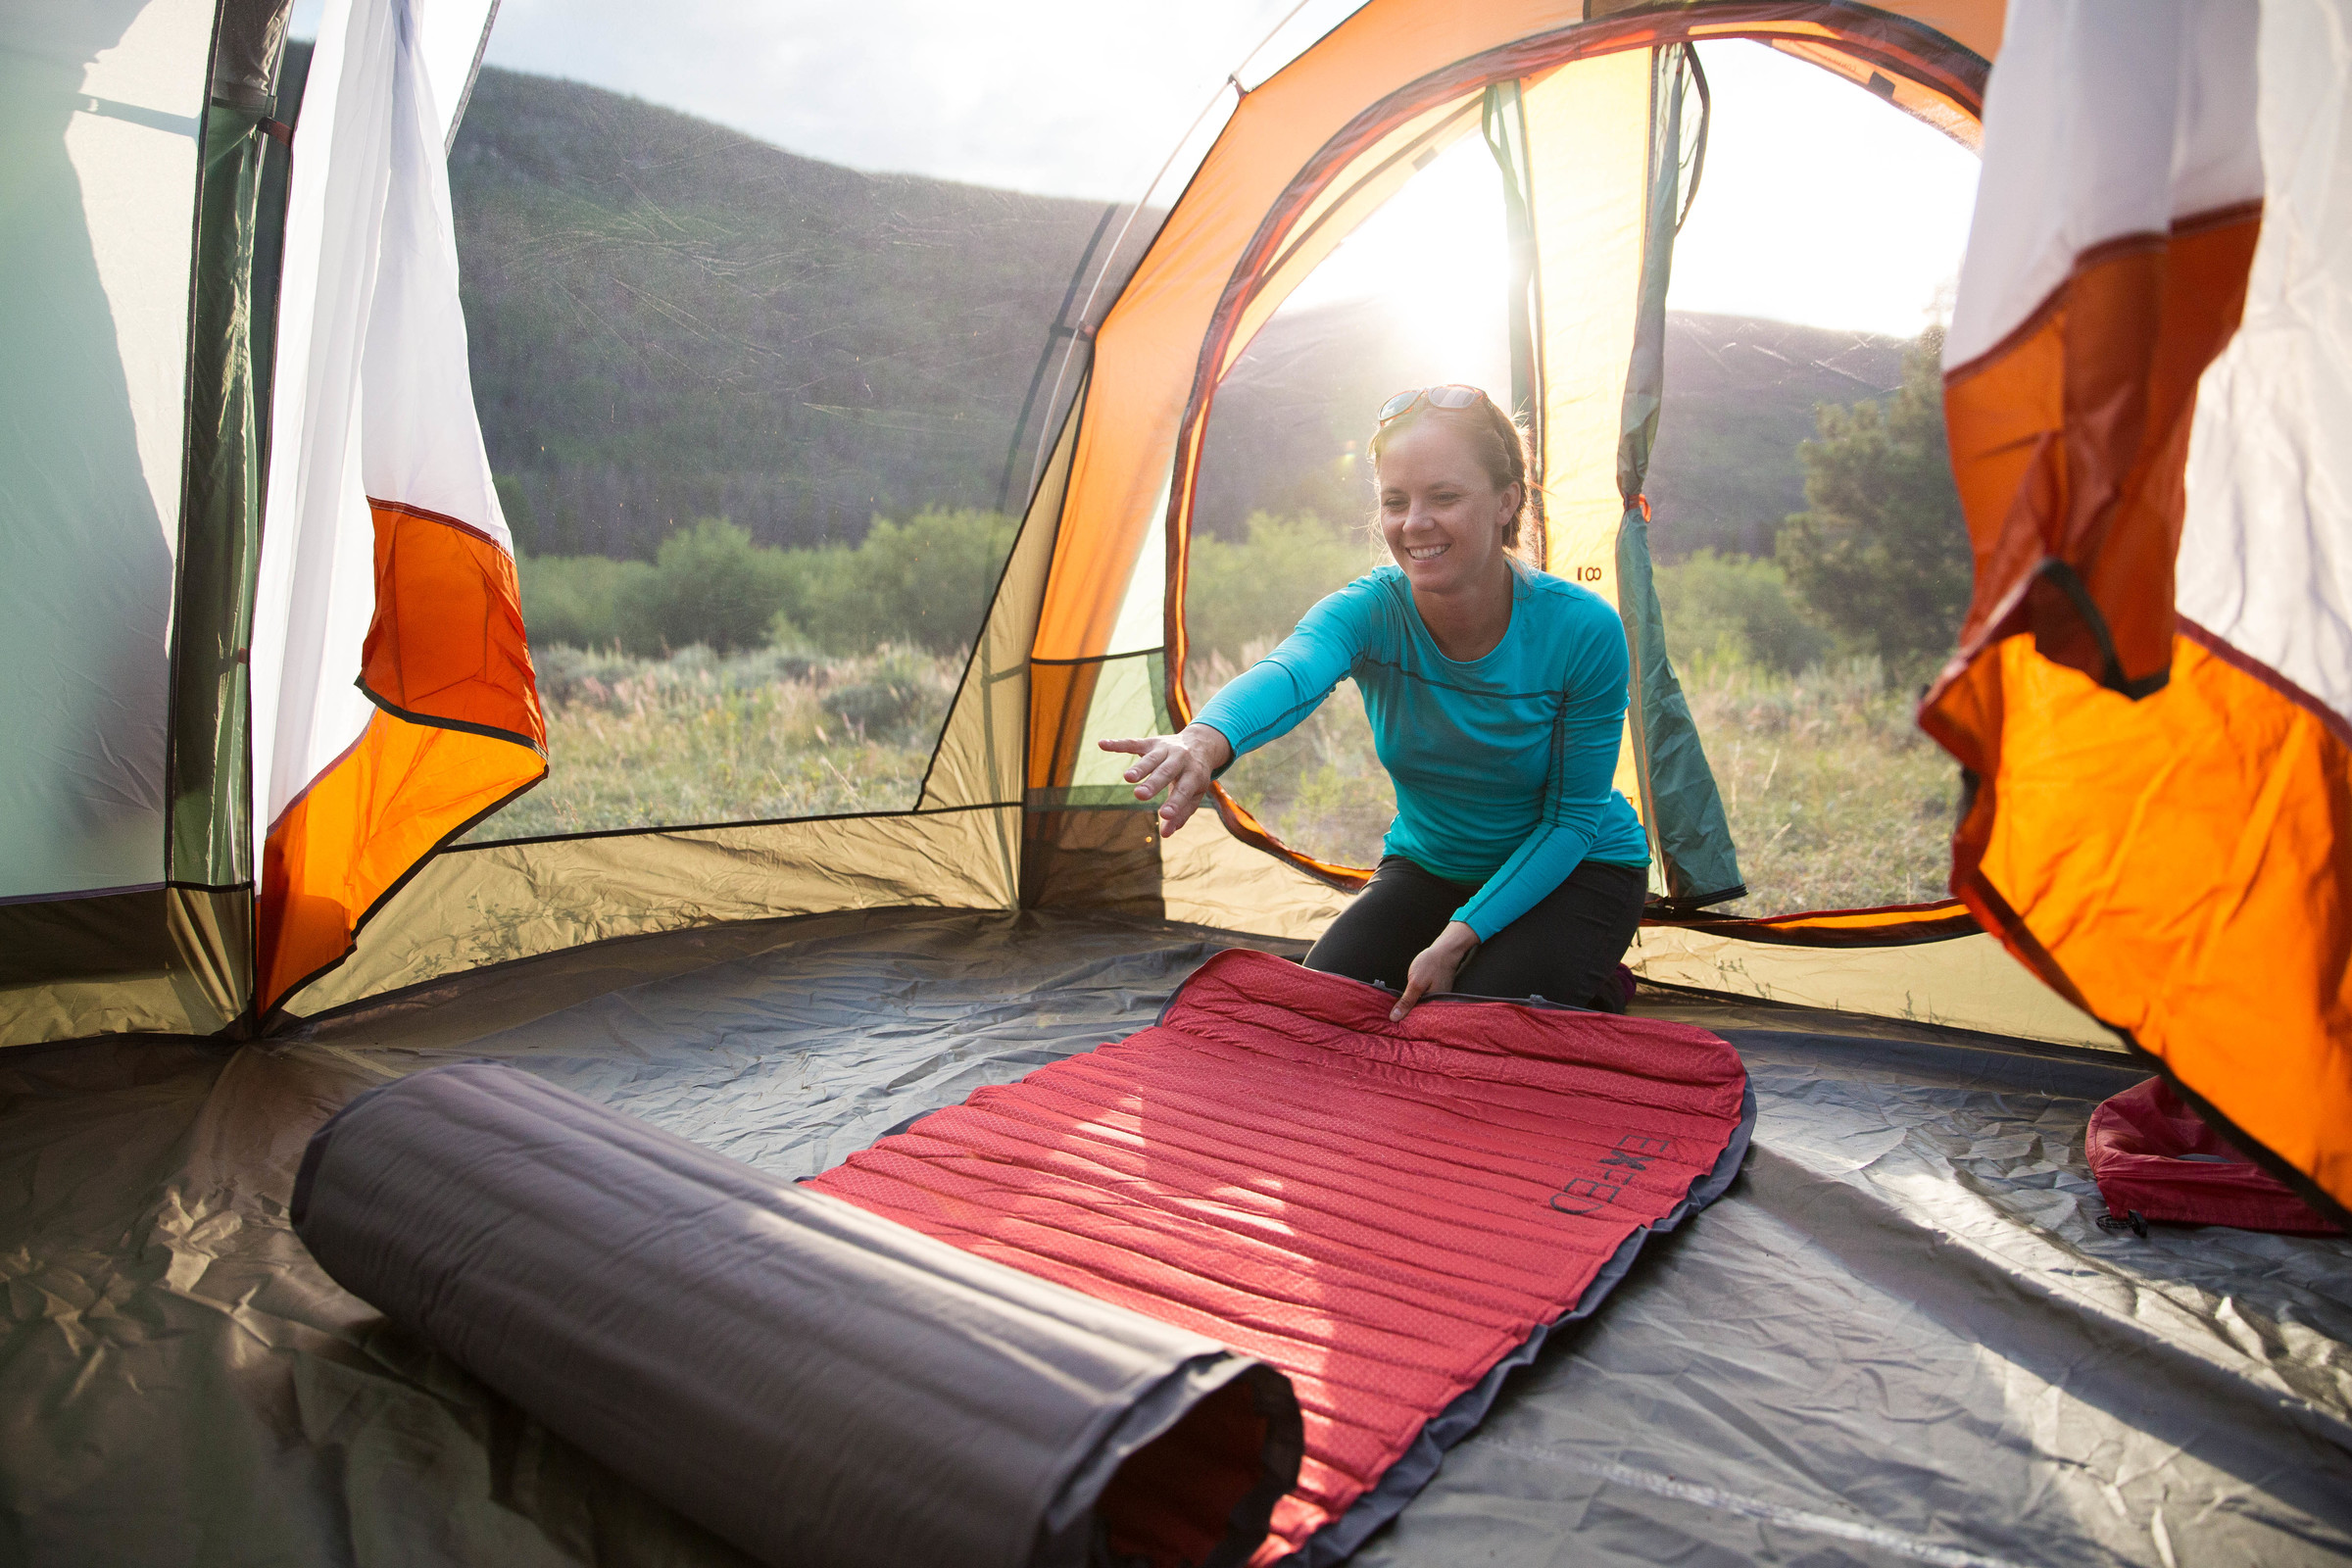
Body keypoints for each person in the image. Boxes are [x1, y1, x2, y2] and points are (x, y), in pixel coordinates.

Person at [1101, 384, 1650, 1020]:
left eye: (1444, 496)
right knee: (1320, 1010)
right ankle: (1530, 973)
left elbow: (1570, 823)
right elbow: (1294, 669)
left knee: (1463, 1028)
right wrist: (1203, 738)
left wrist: (1455, 940)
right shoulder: (1372, 610)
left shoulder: (1580, 629)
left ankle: (1591, 977)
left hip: (1578, 868)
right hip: (1433, 864)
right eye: (1396, 501)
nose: (1414, 522)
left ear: (1506, 502)